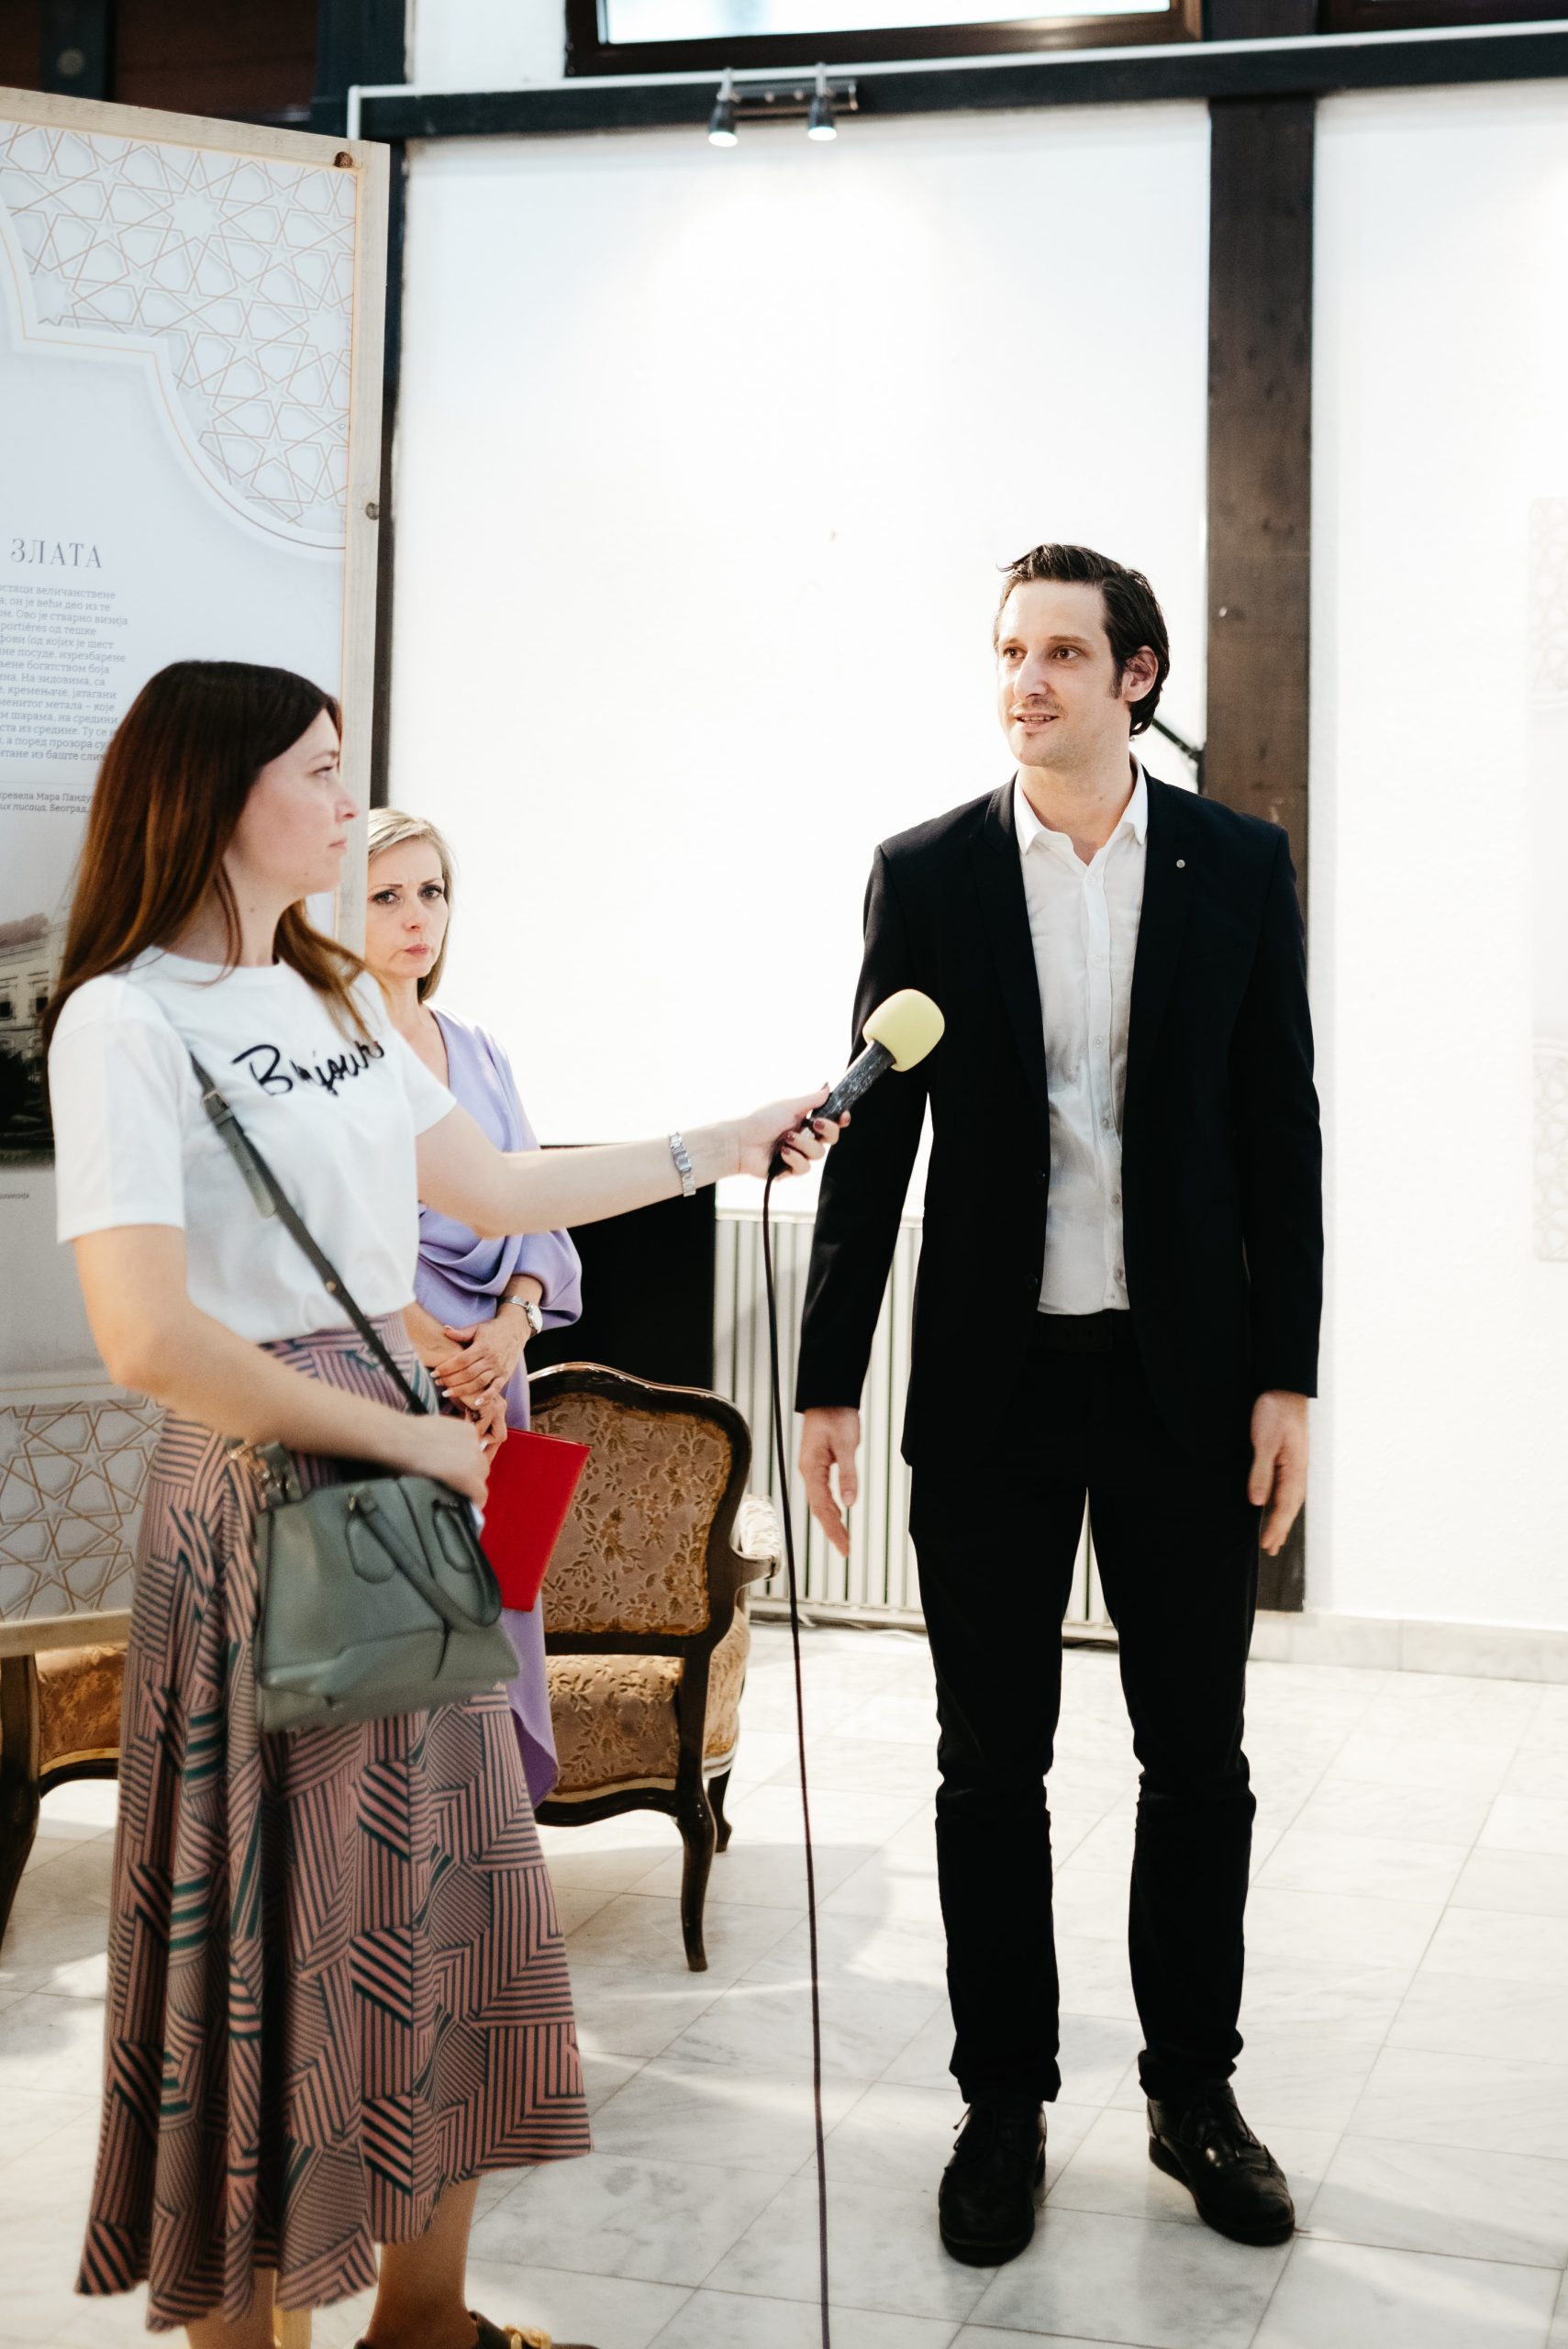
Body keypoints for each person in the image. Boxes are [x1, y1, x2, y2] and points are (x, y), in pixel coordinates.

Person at [44, 659, 840, 2349]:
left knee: (456, 1901)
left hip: (399, 1479)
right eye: (319, 774)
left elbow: (490, 1185)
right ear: (218, 792)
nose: (348, 808)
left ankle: (426, 2322)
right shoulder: (125, 1019)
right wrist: (408, 1444)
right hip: (270, 1497)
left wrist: (722, 1140)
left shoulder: (329, 995)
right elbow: (146, 1337)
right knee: (278, 1936)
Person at [795, 544, 1322, 2268]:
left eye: (1061, 655)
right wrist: (822, 1382)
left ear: (1135, 676)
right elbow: (871, 1133)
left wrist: (1287, 1376)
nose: (1023, 681)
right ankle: (1001, 2107)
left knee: (1198, 1764)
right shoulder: (928, 872)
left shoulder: (1235, 865)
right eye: (1008, 652)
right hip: (994, 1387)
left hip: (1183, 1388)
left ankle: (1191, 2093)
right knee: (987, 1767)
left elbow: (1279, 1131)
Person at [361, 807, 581, 1807]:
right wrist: (436, 1351)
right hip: (385, 1378)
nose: (418, 916)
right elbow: (327, 1234)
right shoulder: (330, 1054)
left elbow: (538, 1211)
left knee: (498, 1608)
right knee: (401, 1635)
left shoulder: (481, 1049)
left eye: (432, 891)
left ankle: (484, 1844)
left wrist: (510, 1327)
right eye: (387, 895)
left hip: (498, 1380)